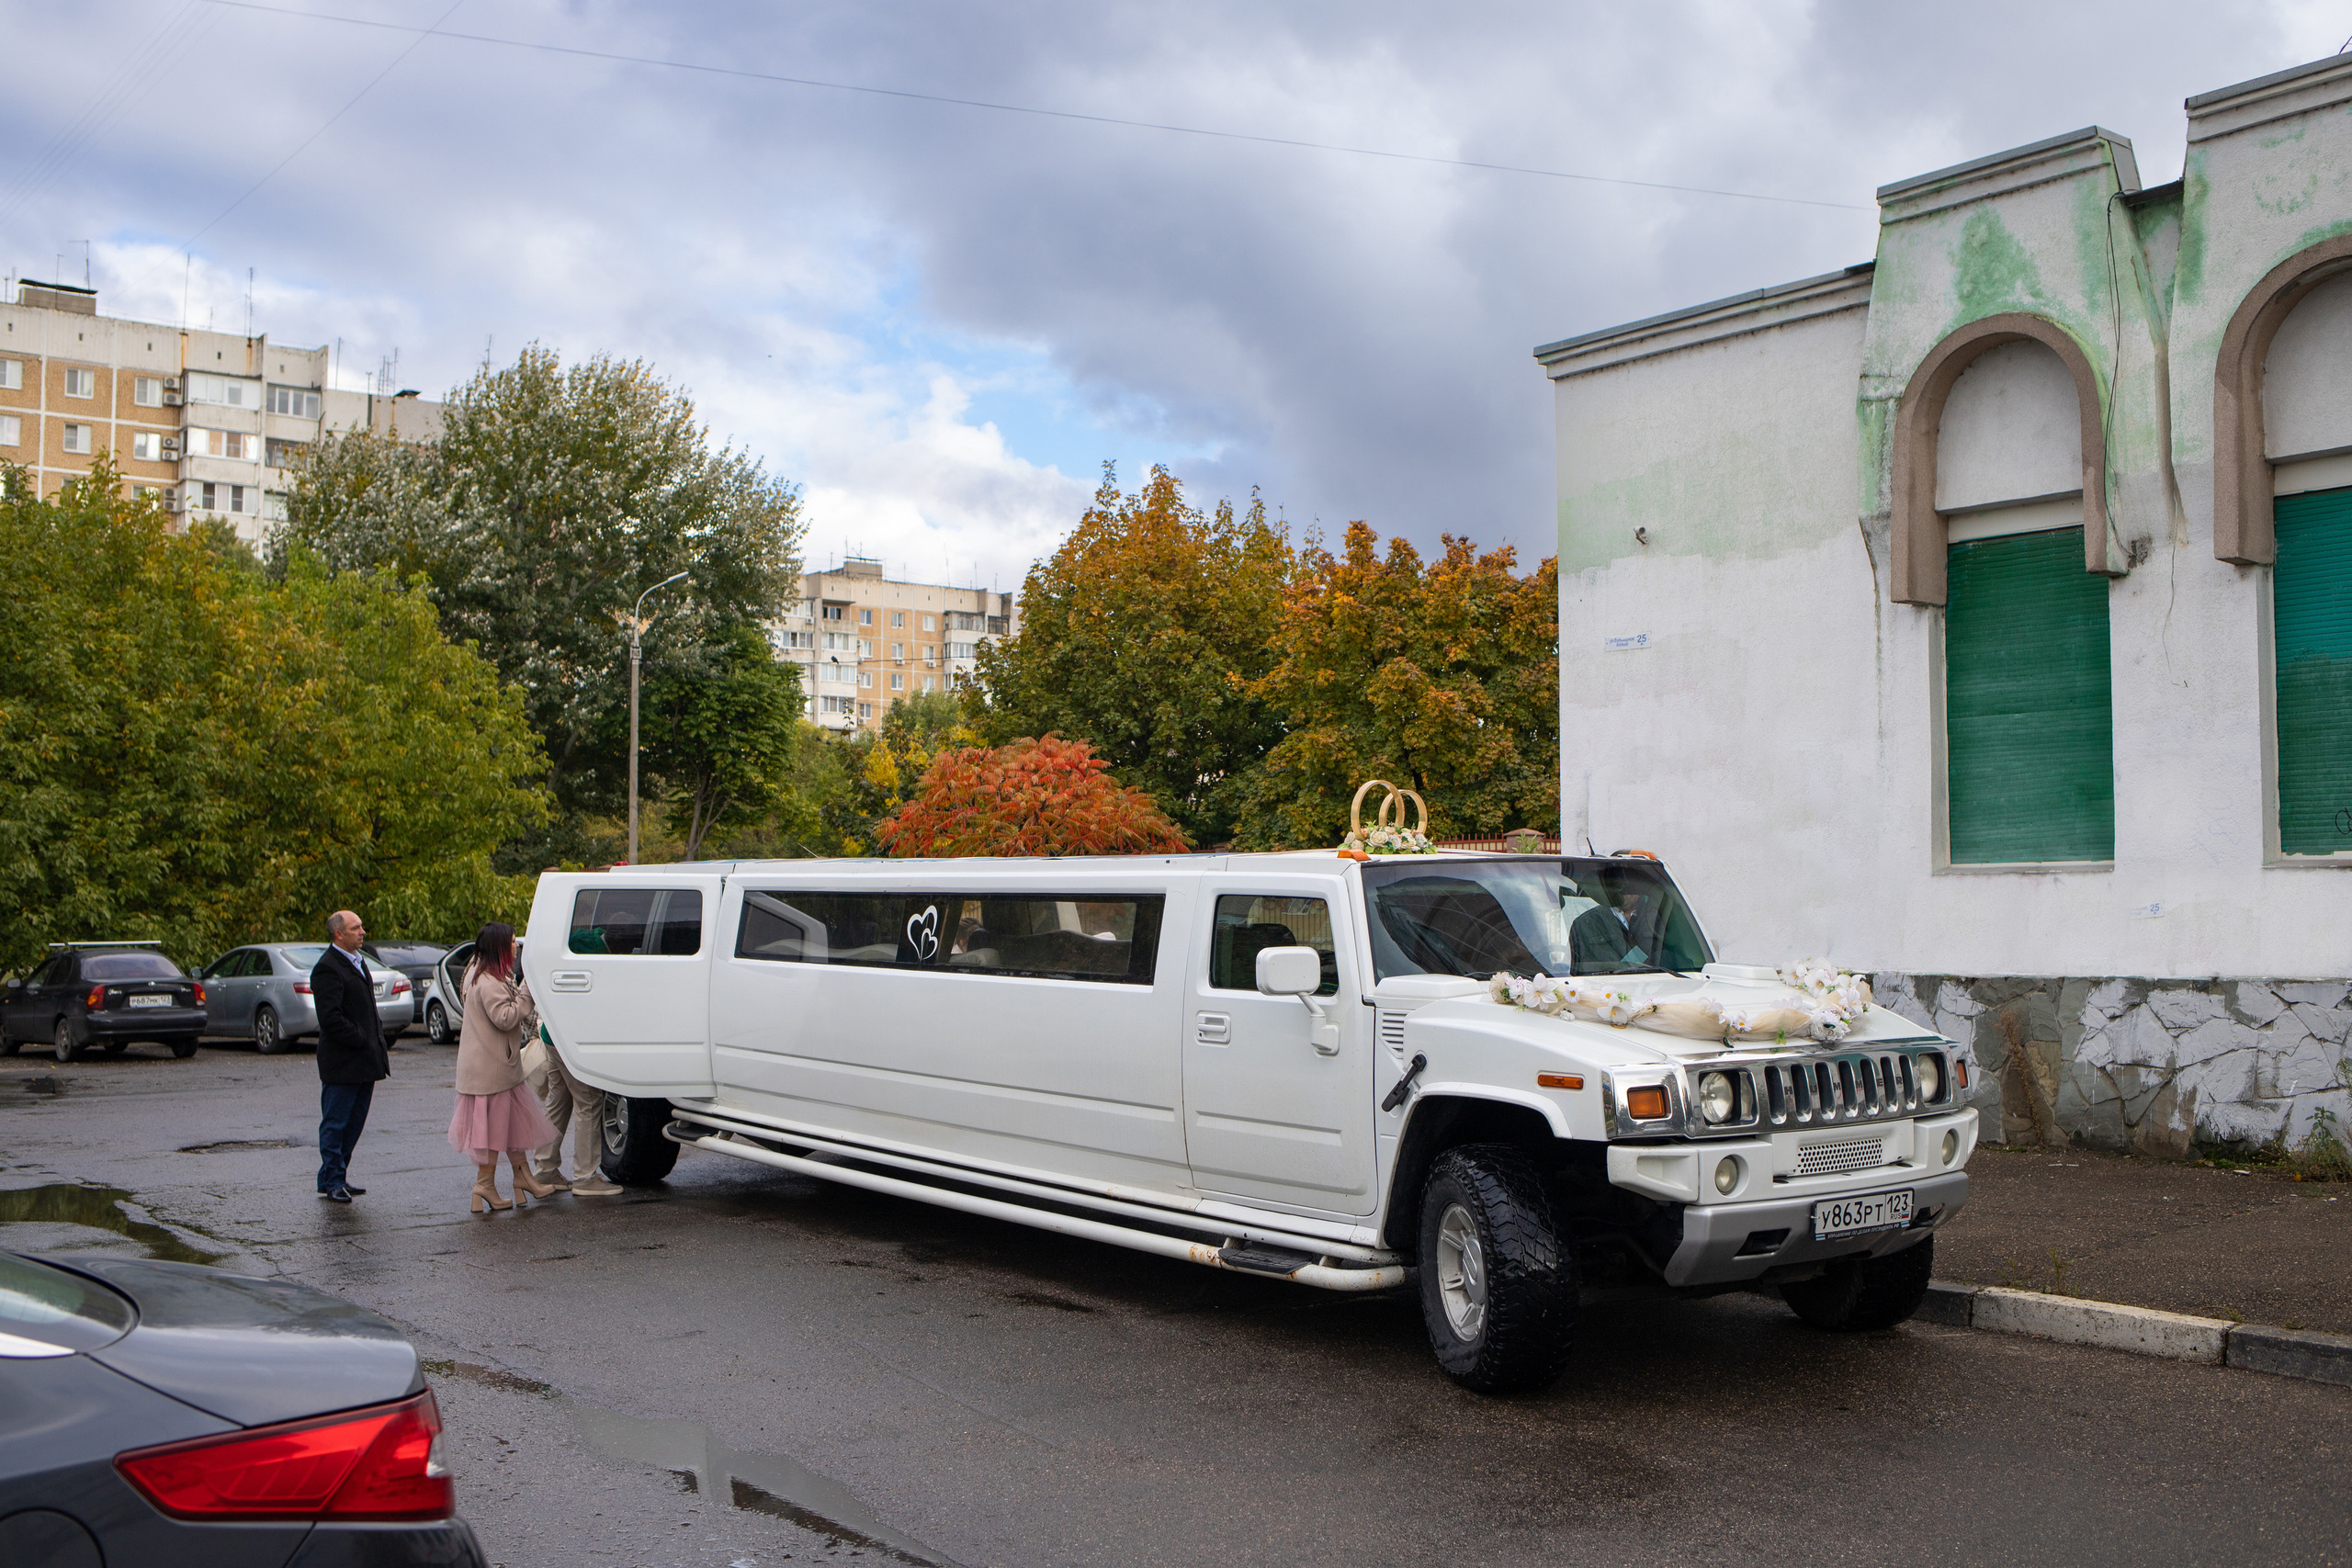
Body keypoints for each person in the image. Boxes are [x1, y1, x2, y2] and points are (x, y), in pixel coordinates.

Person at [448, 922, 561, 1214]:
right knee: (495, 1130)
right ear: (499, 947)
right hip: (491, 1070)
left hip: (494, 1067)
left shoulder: (480, 973)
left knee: (511, 1125)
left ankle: (522, 1179)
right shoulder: (487, 982)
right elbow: (506, 1018)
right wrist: (527, 992)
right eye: (512, 942)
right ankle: (485, 1184)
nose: (516, 946)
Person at [311, 909, 389, 1203]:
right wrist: (360, 1038)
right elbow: (330, 1018)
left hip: (365, 1061)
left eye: (361, 927)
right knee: (336, 1123)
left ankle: (336, 1176)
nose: (363, 932)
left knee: (354, 1124)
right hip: (342, 1063)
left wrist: (375, 1041)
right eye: (355, 928)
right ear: (338, 934)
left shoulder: (358, 961)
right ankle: (332, 1181)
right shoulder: (327, 967)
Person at [529, 1029, 623, 1198]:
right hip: (571, 1038)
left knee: (558, 1099)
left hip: (553, 1034)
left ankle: (545, 1169)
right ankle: (585, 1177)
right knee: (589, 1100)